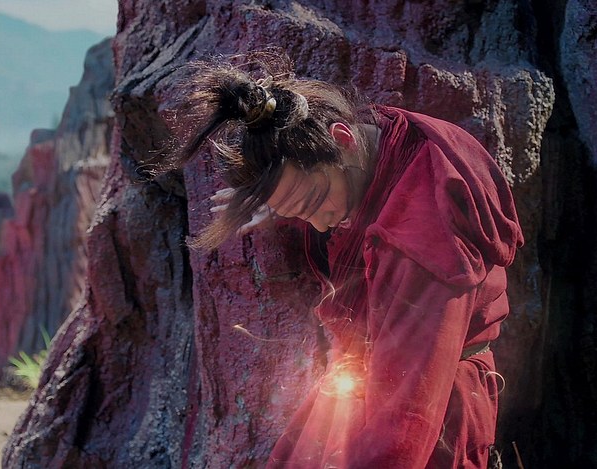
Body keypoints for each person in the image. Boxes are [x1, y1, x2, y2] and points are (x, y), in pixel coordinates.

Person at [166, 53, 524, 468]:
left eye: (316, 201)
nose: (320, 225)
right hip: (378, 379)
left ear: (343, 139)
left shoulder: (425, 242)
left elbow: (405, 423)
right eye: (302, 212)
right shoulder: (386, 135)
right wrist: (289, 204)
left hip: (432, 408)